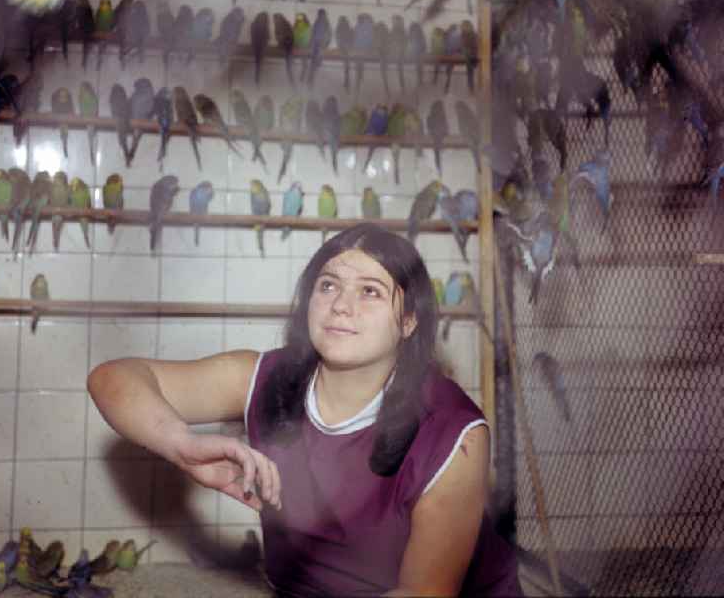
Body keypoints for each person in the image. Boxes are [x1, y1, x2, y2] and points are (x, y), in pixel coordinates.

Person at [88, 223, 521, 597]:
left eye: (369, 291)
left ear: (408, 320)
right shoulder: (266, 378)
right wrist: (180, 444)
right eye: (328, 285)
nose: (340, 305)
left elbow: (422, 592)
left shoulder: (453, 432)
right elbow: (113, 379)